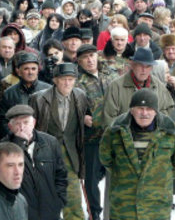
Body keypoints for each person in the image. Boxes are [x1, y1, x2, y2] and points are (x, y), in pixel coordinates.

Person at [99, 89, 175, 220]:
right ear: (131, 109)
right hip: (124, 205)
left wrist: (160, 177)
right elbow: (106, 157)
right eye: (140, 108)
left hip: (156, 205)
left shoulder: (172, 132)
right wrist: (123, 175)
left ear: (156, 110)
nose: (144, 113)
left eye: (149, 109)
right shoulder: (115, 131)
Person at [29, 62, 90, 219]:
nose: (67, 83)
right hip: (45, 154)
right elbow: (31, 129)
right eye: (64, 79)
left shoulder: (80, 96)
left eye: (71, 79)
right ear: (55, 80)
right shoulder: (39, 99)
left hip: (71, 154)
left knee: (74, 200)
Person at [75, 44, 118, 219]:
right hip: (92, 138)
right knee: (91, 180)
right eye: (85, 57)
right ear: (79, 61)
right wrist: (82, 117)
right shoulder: (77, 81)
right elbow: (72, 106)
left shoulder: (111, 74)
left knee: (115, 176)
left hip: (114, 134)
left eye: (92, 55)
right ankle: (94, 213)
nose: (90, 60)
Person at [3, 105, 67, 220]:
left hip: (50, 212)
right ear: (10, 127)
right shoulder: (3, 148)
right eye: (17, 124)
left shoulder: (50, 142)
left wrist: (58, 201)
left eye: (26, 122)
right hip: (21, 214)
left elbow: (61, 175)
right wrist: (19, 144)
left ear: (34, 123)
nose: (22, 128)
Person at [0, 52, 51, 139]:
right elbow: (3, 120)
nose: (30, 72)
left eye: (33, 69)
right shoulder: (9, 93)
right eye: (26, 69)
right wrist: (15, 135)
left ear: (38, 70)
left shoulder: (48, 90)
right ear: (18, 71)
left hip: (44, 138)